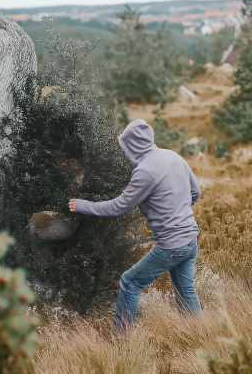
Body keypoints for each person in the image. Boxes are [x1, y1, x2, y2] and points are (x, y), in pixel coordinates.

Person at [69, 119, 202, 336]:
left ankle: (120, 342)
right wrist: (177, 210)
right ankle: (200, 336)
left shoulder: (145, 171)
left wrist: (83, 205)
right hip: (190, 240)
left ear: (133, 146)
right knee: (185, 289)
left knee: (130, 281)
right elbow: (194, 191)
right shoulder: (172, 156)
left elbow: (119, 206)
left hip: (171, 245)